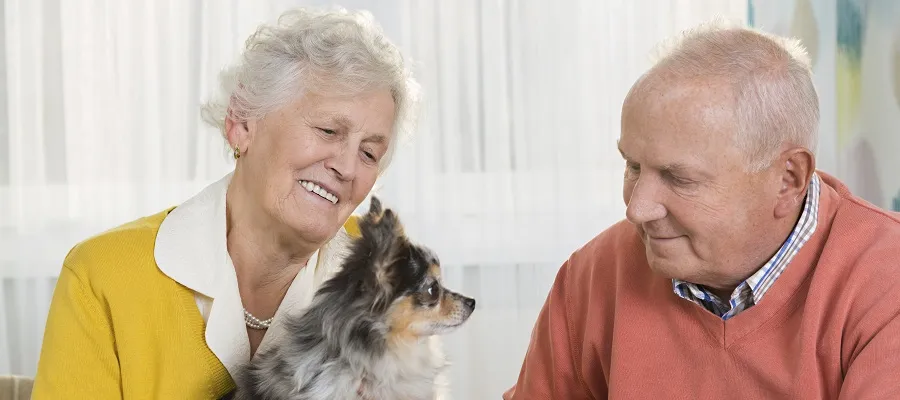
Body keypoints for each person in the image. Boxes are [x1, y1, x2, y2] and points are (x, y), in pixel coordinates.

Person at [32, 7, 419, 399]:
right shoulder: (102, 276)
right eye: (328, 130)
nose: (347, 167)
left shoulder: (385, 275)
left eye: (369, 154)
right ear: (242, 124)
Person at [504, 21, 900, 399]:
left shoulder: (885, 283)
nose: (637, 209)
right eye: (633, 166)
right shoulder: (592, 275)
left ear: (788, 178)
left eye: (679, 178)